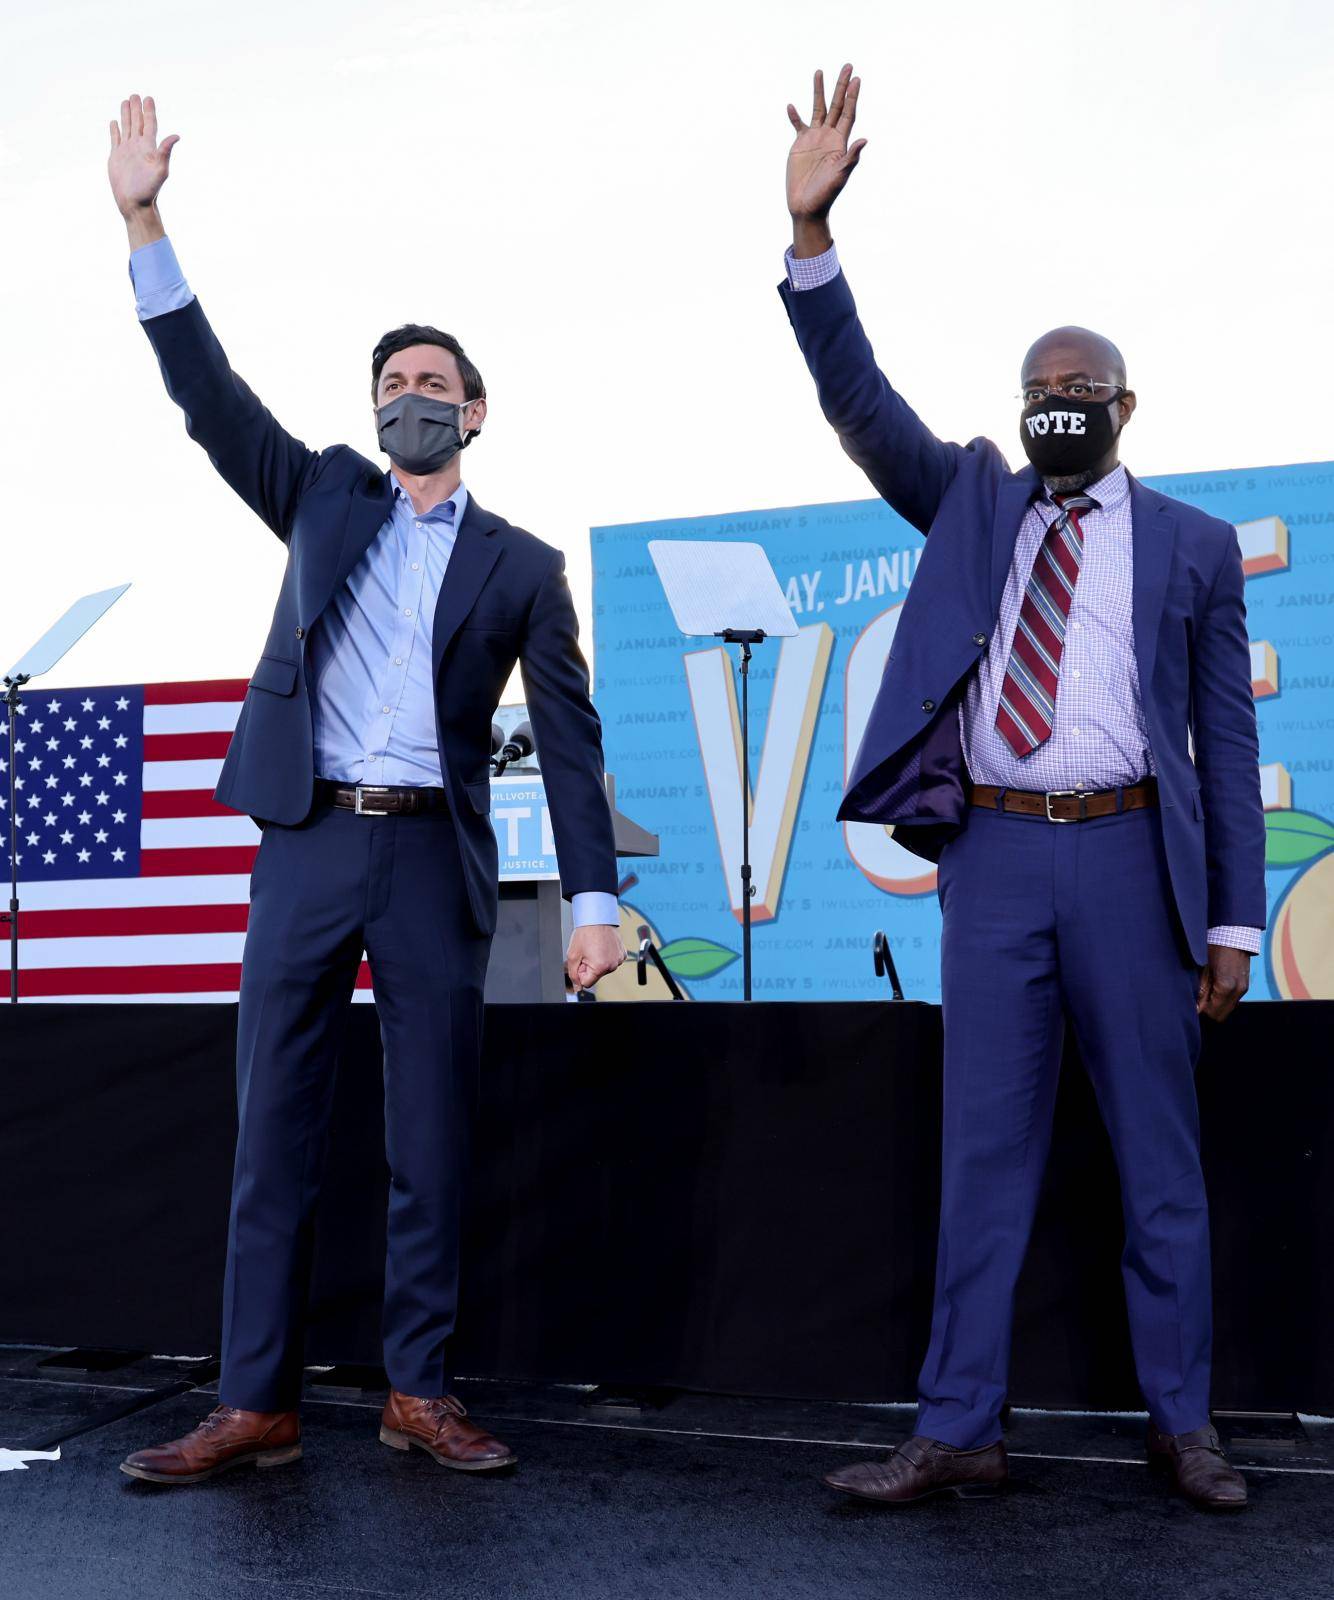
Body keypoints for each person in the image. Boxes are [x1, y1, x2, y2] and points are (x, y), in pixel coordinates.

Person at [107, 93, 625, 1485]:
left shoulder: (522, 565)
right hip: (309, 842)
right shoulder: (324, 495)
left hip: (428, 867)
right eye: (396, 379)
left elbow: (568, 744)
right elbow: (208, 397)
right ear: (374, 408)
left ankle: (417, 1393)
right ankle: (253, 1404)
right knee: (272, 1131)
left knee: (428, 1145)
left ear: (475, 411)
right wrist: (146, 220)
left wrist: (593, 899)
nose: (415, 395)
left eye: (437, 383)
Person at [780, 65, 1264, 1512]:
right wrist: (810, 244)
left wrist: (1234, 923)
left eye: (1079, 391)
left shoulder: (1190, 544)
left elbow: (1219, 744)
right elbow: (861, 407)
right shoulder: (975, 499)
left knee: (1158, 1166)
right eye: (1037, 391)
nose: (1057, 407)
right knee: (979, 1158)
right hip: (990, 863)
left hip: (1129, 864)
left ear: (1126, 405)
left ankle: (1183, 1426)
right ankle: (957, 1427)